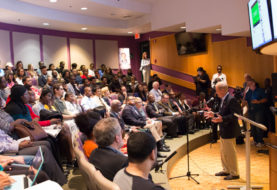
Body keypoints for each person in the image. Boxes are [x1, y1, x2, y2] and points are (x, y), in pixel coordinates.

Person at [204, 81, 241, 180]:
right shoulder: (223, 99)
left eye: (216, 90)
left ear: (223, 89)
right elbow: (222, 113)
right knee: (224, 152)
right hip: (224, 129)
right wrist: (214, 114)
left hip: (230, 130)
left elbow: (236, 115)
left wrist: (222, 119)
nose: (216, 93)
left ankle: (234, 173)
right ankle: (226, 169)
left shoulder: (231, 99)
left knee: (230, 152)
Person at [243, 79, 267, 147]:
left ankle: (260, 141)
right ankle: (255, 140)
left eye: (249, 84)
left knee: (258, 126)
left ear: (253, 83)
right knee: (252, 126)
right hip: (251, 110)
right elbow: (245, 101)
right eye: (247, 84)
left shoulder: (260, 90)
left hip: (259, 110)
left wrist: (258, 101)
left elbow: (265, 99)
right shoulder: (248, 92)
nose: (248, 85)